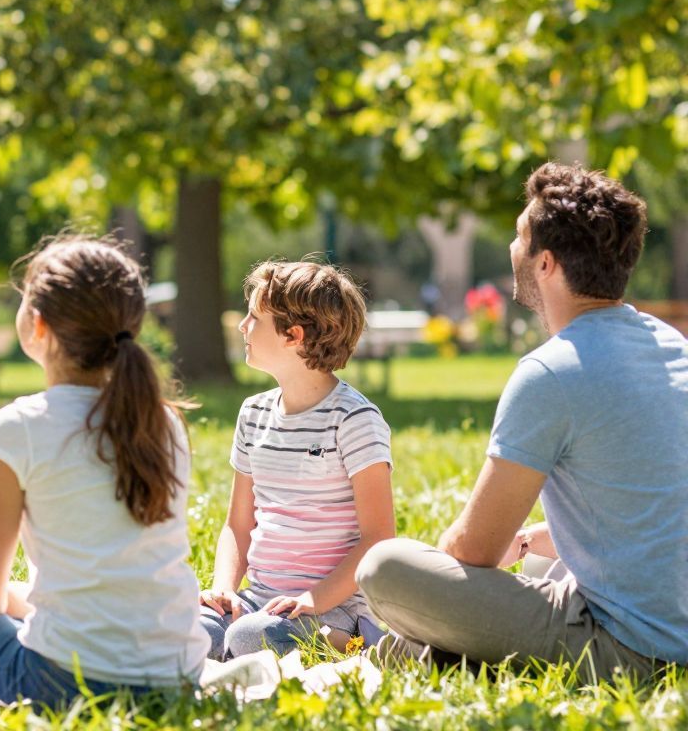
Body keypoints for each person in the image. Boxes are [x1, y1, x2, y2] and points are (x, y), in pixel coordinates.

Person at [357, 163, 688, 679]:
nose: (513, 249)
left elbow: (474, 551)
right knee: (536, 559)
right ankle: (424, 656)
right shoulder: (668, 344)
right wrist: (542, 537)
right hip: (671, 620)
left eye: (519, 237)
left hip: (632, 650)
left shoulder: (551, 371)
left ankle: (415, 655)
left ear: (546, 264)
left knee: (386, 568)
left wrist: (444, 589)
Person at [0, 238, 209, 704]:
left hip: (65, 685)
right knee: (19, 593)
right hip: (176, 677)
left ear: (38, 325)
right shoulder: (165, 421)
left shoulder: (20, 427)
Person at [199, 260, 394, 659]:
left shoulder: (355, 419)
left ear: (293, 335)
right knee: (190, 632)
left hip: (333, 608)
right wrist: (223, 590)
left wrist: (314, 598)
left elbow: (378, 538)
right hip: (258, 601)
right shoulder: (252, 414)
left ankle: (361, 644)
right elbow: (238, 523)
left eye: (253, 316)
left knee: (250, 638)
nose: (242, 326)